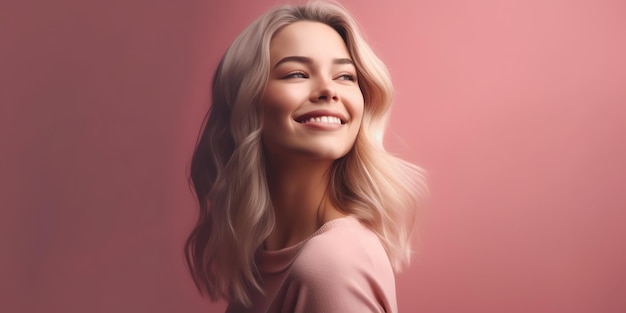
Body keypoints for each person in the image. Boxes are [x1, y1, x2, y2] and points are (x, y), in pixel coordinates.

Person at [184, 1, 425, 312]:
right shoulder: (265, 262)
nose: (328, 90)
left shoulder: (333, 264)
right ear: (247, 102)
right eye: (297, 74)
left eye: (345, 77)